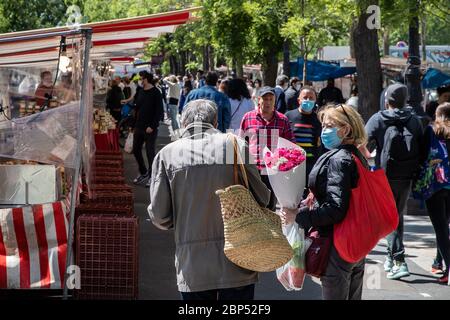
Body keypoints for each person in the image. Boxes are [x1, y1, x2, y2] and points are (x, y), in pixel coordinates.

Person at [148, 99, 271, 300]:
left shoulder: (167, 155)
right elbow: (262, 198)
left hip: (193, 265)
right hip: (238, 260)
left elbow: (160, 216)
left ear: (184, 122)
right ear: (215, 122)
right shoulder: (235, 145)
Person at [280, 104, 369, 300]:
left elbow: (335, 208)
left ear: (345, 129)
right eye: (323, 125)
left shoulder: (339, 159)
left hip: (337, 245)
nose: (324, 131)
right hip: (356, 242)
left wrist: (299, 215)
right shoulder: (356, 155)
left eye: (329, 125)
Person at [365, 83, 424, 280]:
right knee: (396, 215)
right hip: (406, 176)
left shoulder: (378, 119)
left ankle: (399, 260)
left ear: (387, 100)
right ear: (405, 100)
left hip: (385, 176)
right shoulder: (414, 120)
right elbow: (422, 147)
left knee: (389, 218)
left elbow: (362, 143)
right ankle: (392, 258)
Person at [240, 86, 296, 211]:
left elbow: (290, 145)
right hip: (253, 170)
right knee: (253, 206)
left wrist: (285, 164)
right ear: (258, 100)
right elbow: (241, 143)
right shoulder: (248, 118)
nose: (268, 102)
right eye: (265, 99)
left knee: (270, 207)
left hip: (273, 172)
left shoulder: (282, 120)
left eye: (271, 99)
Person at [418, 102, 450, 284]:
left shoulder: (431, 131)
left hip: (435, 185)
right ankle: (439, 261)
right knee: (444, 225)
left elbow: (422, 156)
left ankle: (448, 268)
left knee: (441, 228)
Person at [132, 71, 164, 187]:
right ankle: (144, 172)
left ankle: (152, 176)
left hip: (150, 128)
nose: (140, 80)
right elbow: (137, 106)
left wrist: (153, 125)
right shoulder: (140, 91)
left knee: (150, 153)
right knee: (136, 150)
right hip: (139, 126)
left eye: (142, 78)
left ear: (147, 79)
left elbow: (159, 111)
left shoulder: (156, 92)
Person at [285, 87, 322, 182]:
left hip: (311, 166)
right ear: (299, 100)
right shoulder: (288, 116)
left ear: (315, 101)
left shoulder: (319, 119)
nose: (308, 100)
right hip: (291, 165)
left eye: (311, 98)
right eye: (305, 97)